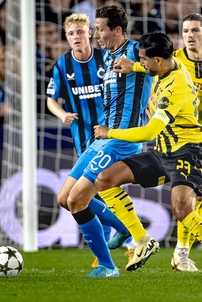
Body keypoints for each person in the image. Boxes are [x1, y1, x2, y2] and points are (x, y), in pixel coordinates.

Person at [93, 32, 202, 279]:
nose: (141, 62)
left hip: (188, 152)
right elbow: (150, 68)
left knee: (183, 211)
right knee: (104, 180)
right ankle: (143, 240)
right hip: (162, 152)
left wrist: (110, 132)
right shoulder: (174, 62)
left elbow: (149, 131)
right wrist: (135, 67)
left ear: (159, 61)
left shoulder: (176, 89)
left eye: (143, 59)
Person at [62, 6, 154, 277]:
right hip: (101, 138)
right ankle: (123, 226)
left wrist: (137, 66)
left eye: (100, 28)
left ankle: (106, 266)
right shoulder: (108, 57)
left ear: (116, 30)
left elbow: (168, 67)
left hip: (121, 141)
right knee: (64, 198)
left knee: (77, 200)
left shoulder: (138, 50)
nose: (95, 34)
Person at [46, 13, 135, 270]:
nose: (77, 37)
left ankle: (112, 254)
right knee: (74, 198)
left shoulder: (106, 58)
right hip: (82, 140)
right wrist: (62, 113)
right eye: (71, 33)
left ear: (90, 34)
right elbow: (51, 98)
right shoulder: (62, 65)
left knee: (89, 195)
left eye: (81, 32)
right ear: (67, 37)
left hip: (109, 138)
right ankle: (125, 233)